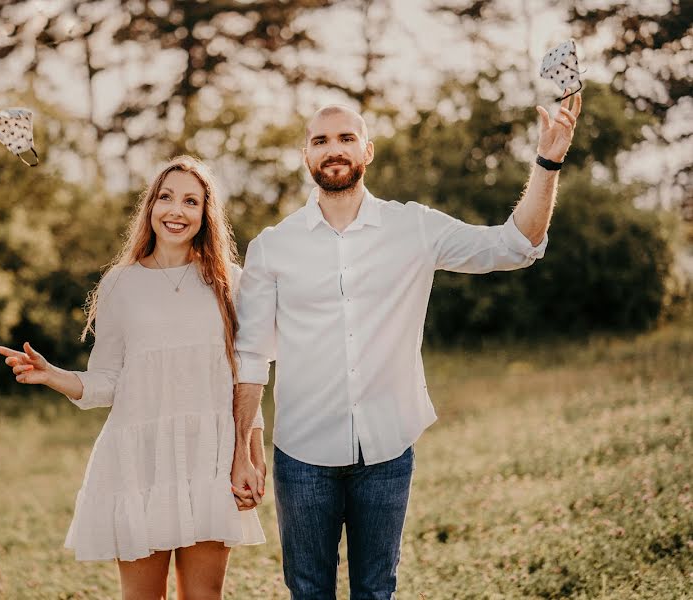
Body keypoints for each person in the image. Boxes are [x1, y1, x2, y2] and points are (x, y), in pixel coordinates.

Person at [230, 93, 582, 599]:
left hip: (388, 449)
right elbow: (250, 356)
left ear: (367, 151)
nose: (334, 149)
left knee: (377, 592)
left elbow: (515, 245)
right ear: (306, 156)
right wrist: (242, 446)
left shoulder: (413, 227)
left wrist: (547, 161)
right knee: (308, 592)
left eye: (346, 138)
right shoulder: (272, 247)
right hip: (302, 455)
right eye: (321, 140)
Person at [0, 155, 266, 600]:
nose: (176, 211)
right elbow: (108, 381)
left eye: (190, 201)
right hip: (141, 461)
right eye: (166, 197)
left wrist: (249, 452)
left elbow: (246, 375)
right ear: (150, 206)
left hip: (210, 458)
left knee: (204, 596)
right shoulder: (121, 284)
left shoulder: (230, 282)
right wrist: (53, 375)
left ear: (205, 214)